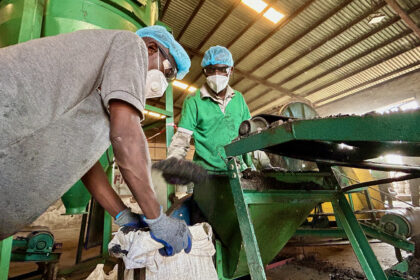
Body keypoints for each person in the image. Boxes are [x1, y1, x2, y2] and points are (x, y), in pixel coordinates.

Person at [0, 25, 191, 256]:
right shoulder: (131, 45)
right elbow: (126, 135)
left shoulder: (95, 100)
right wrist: (157, 218)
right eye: (168, 72)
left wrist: (123, 215)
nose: (164, 84)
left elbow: (82, 163)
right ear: (151, 48)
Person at [166, 46, 252, 178]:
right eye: (211, 70)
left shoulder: (239, 99)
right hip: (206, 175)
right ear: (204, 72)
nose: (216, 74)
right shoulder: (193, 101)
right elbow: (181, 139)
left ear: (231, 70)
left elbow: (251, 136)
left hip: (237, 173)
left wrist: (255, 165)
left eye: (222, 69)